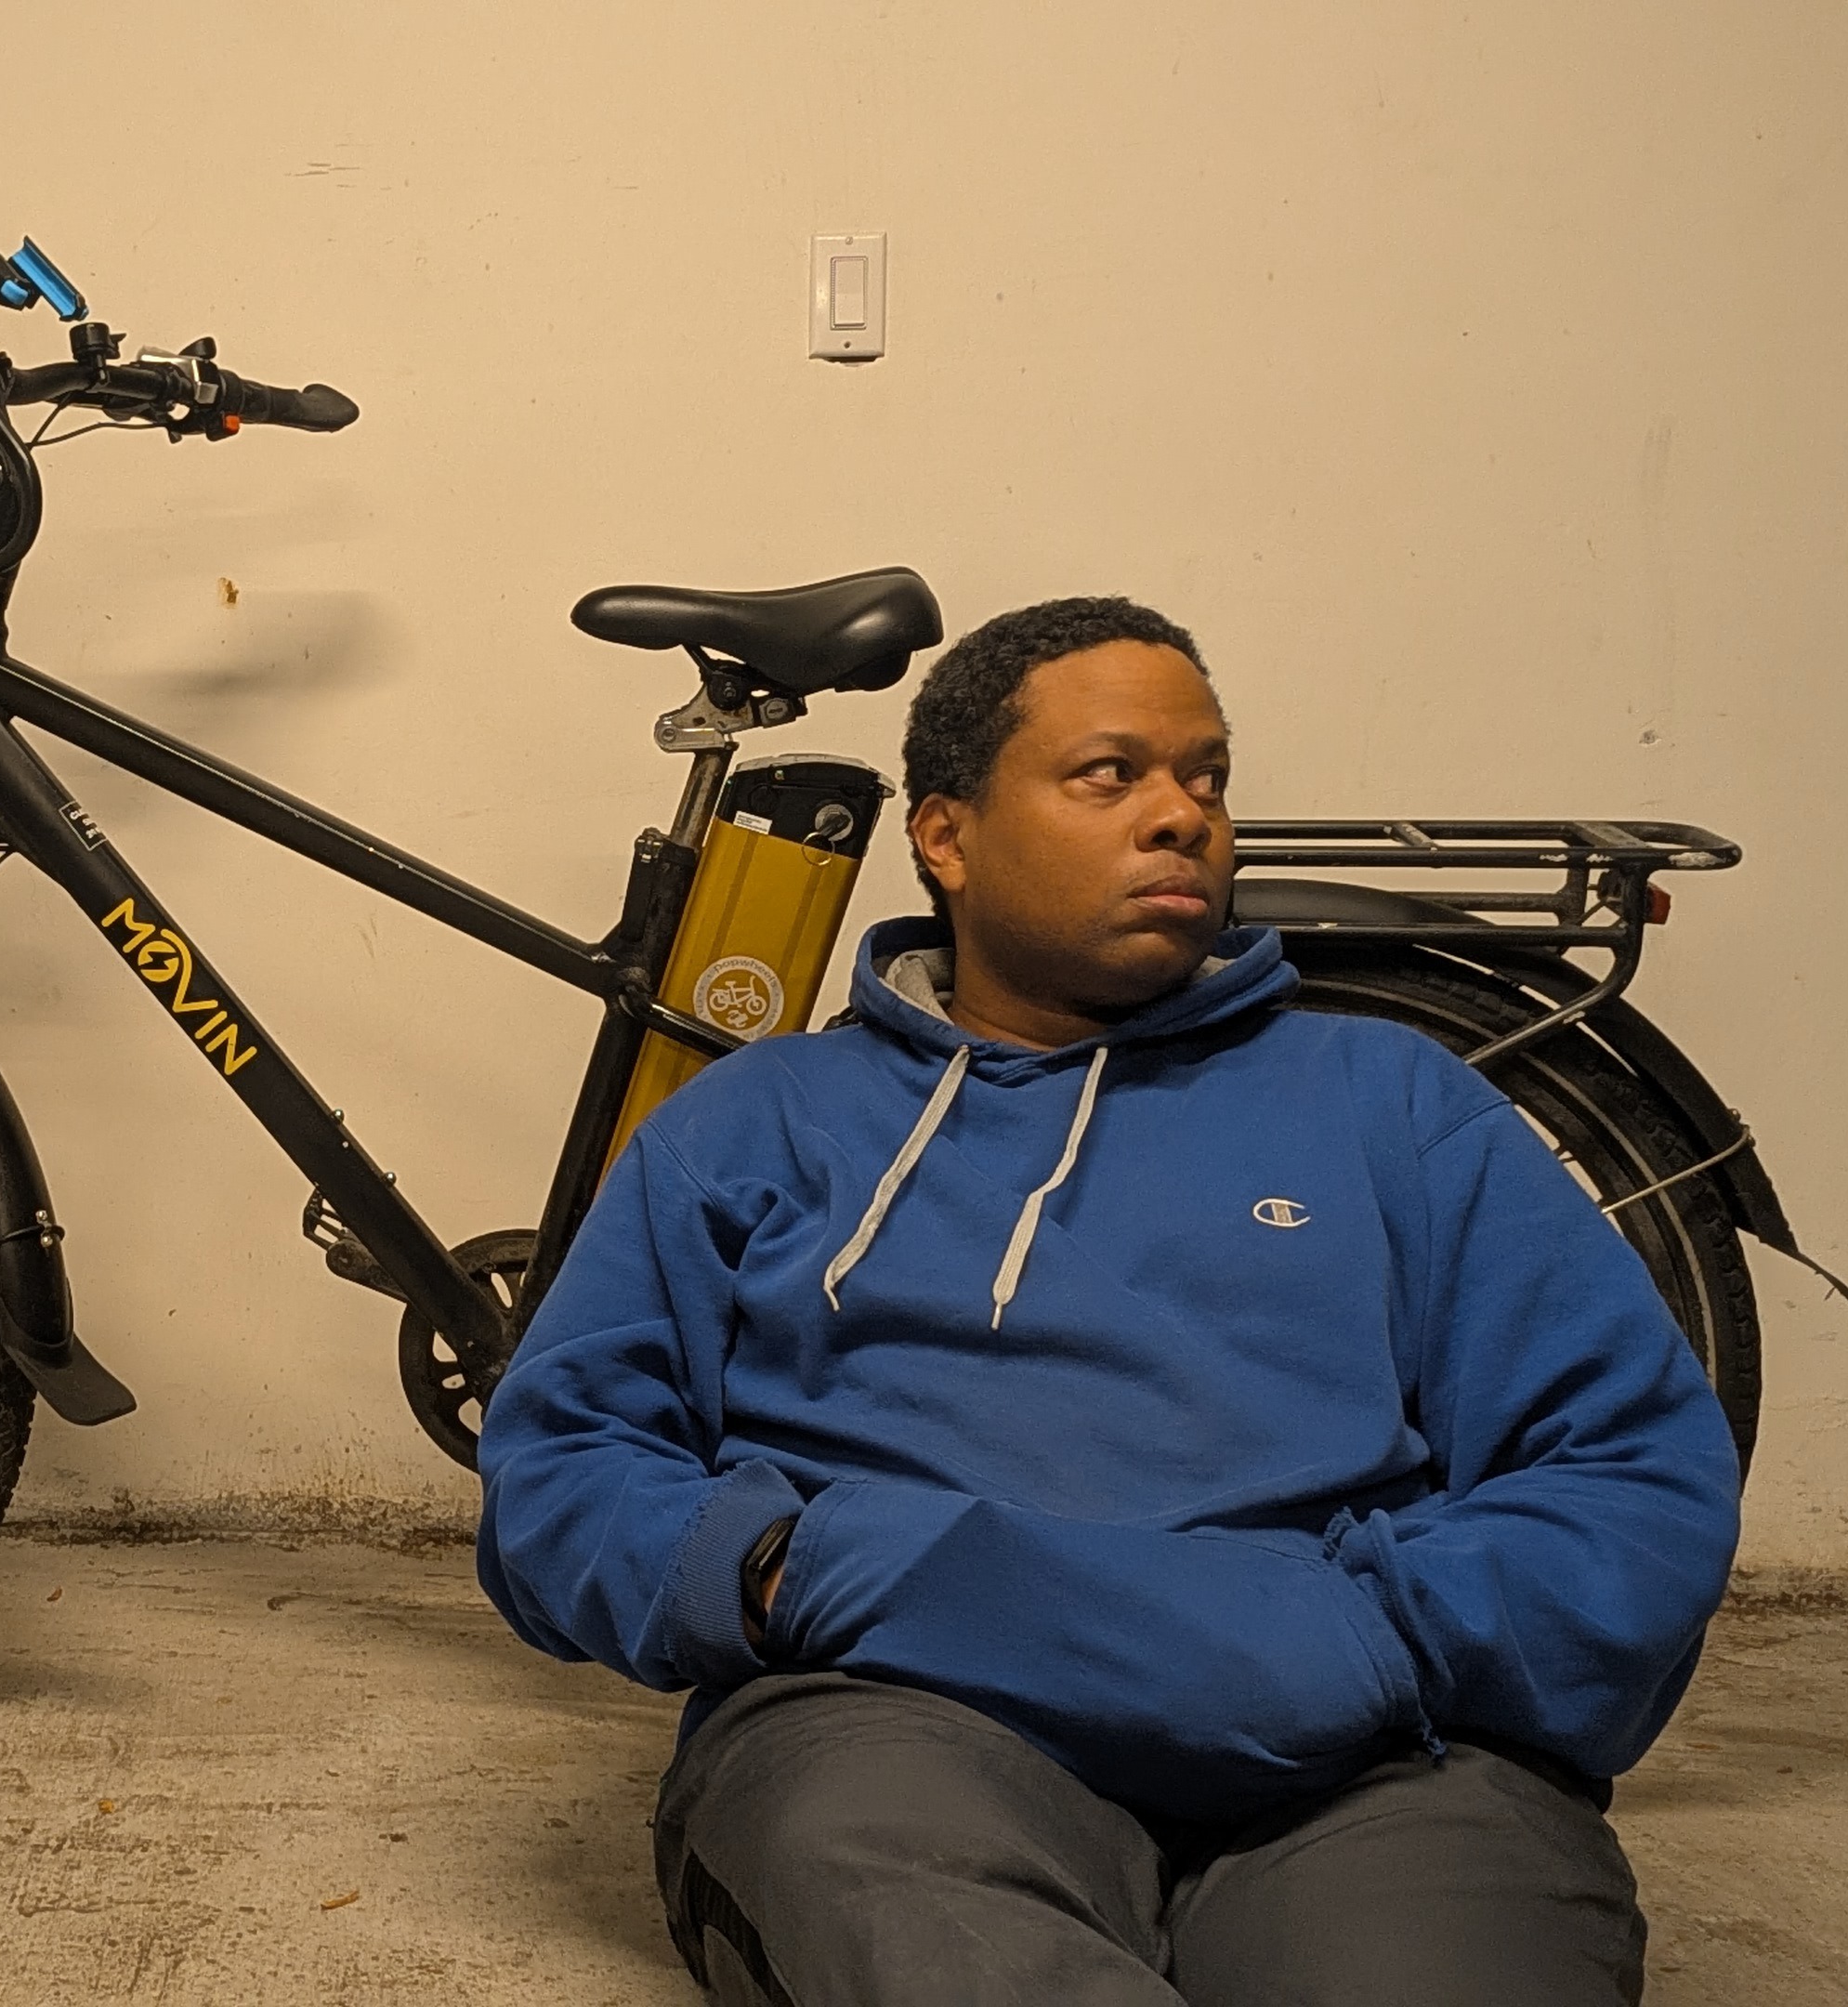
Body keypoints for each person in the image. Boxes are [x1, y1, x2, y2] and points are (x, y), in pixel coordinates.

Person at [474, 597, 1741, 2007]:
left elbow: (1631, 1476)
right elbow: (562, 1463)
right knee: (921, 1933)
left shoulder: (1394, 1102)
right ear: (945, 837)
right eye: (1109, 775)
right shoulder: (758, 1122)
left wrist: (1372, 1633)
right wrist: (787, 1568)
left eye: (1207, 778)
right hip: (899, 1726)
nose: (1182, 816)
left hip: (1378, 1753)